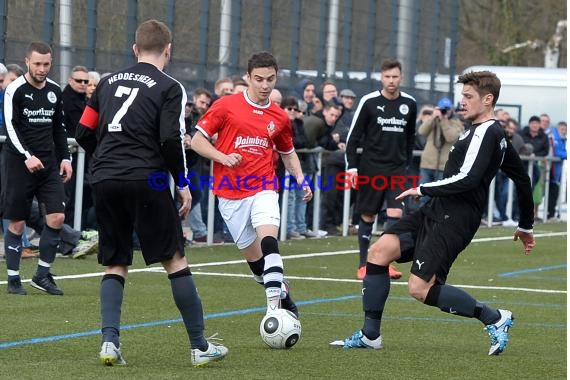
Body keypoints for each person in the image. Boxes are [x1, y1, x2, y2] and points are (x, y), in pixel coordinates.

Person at [331, 70, 536, 356]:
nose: (461, 101)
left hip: (456, 218)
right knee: (379, 253)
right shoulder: (483, 131)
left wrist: (423, 188)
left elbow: (468, 178)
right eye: (461, 95)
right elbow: (523, 180)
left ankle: (494, 317)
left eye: (468, 96)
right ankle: (370, 335)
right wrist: (525, 225)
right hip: (438, 209)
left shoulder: (488, 132)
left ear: (488, 100)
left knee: (419, 289)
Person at [75, 19, 228, 366]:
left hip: (105, 178)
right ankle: (200, 346)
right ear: (168, 51)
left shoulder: (106, 83)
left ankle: (109, 344)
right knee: (174, 259)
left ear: (134, 48)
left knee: (115, 261)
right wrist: (184, 183)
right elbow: (171, 139)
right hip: (147, 178)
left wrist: (107, 156)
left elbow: (83, 133)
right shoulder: (170, 87)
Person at [191, 51, 311, 319]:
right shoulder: (225, 105)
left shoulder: (279, 117)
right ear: (248, 78)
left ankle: (273, 312)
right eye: (259, 79)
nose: (265, 85)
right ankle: (283, 292)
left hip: (264, 187)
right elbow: (197, 140)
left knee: (269, 240)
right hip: (230, 193)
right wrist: (222, 156)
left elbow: (287, 152)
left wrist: (301, 178)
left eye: (270, 79)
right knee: (257, 266)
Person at [2, 42, 73, 295]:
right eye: (37, 64)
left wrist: (66, 158)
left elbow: (59, 129)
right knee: (18, 223)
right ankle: (13, 279)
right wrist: (27, 155)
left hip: (49, 164)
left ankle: (42, 275)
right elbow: (10, 127)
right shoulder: (15, 89)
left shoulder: (54, 90)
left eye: (46, 64)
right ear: (27, 62)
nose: (42, 69)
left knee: (57, 217)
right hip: (20, 163)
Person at [345, 58, 416, 281]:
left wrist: (406, 166)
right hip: (371, 168)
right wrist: (352, 167)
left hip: (397, 169)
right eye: (387, 77)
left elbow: (410, 137)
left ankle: (385, 262)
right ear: (381, 78)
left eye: (395, 77)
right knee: (368, 214)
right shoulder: (369, 102)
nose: (391, 81)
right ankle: (363, 264)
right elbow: (353, 137)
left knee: (396, 214)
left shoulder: (410, 104)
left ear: (401, 77)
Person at [418, 97, 464, 202]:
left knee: (439, 199)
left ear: (452, 109)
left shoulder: (456, 123)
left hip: (444, 167)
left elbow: (450, 137)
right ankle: (423, 218)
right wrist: (432, 117)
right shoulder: (433, 120)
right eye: (442, 109)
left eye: (447, 109)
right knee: (423, 198)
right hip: (427, 165)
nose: (445, 111)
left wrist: (444, 121)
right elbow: (422, 131)